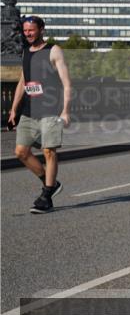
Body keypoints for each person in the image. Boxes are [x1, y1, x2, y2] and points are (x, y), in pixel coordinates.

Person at [8, 16, 71, 213]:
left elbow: (67, 83)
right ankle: (50, 182)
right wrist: (13, 108)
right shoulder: (26, 51)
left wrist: (66, 110)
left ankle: (46, 197)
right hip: (29, 110)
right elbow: (23, 81)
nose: (27, 34)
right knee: (21, 152)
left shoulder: (53, 51)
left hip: (51, 109)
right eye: (25, 30)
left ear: (41, 30)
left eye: (31, 30)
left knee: (48, 151)